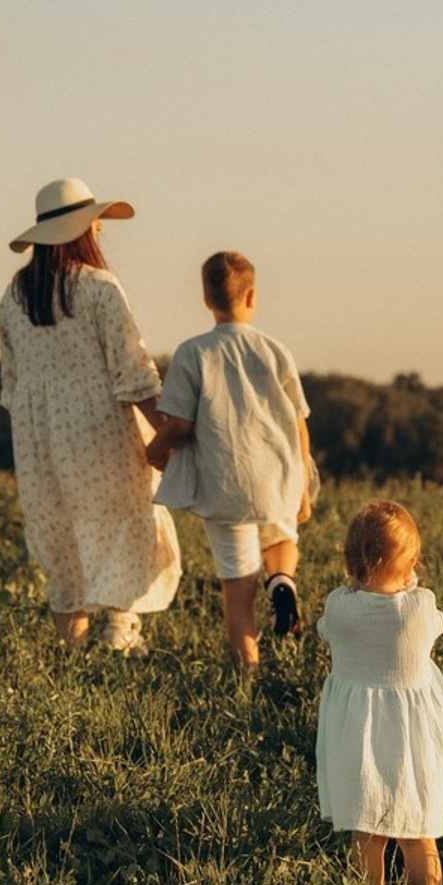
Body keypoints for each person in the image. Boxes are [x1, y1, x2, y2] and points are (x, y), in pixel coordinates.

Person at [0, 177, 181, 654]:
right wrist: (165, 429)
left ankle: (74, 653)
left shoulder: (12, 298)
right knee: (123, 518)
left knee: (60, 531)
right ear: (81, 231)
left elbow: (12, 387)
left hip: (39, 438)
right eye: (95, 224)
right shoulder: (99, 288)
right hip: (101, 428)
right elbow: (134, 370)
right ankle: (120, 635)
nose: (99, 232)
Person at [315, 501, 443, 885]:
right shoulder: (418, 607)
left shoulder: (339, 607)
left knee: (367, 836)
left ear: (350, 559)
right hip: (413, 741)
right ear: (411, 561)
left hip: (357, 741)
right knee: (419, 834)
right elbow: (438, 624)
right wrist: (409, 585)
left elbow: (325, 630)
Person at [145, 251, 313, 671]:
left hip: (225, 481)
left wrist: (155, 448)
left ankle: (248, 672)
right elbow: (298, 420)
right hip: (278, 472)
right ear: (252, 295)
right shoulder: (275, 351)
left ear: (206, 299)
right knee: (280, 538)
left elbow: (180, 423)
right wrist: (304, 482)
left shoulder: (192, 353)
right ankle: (282, 582)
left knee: (237, 585)